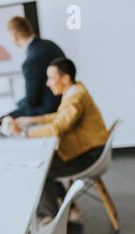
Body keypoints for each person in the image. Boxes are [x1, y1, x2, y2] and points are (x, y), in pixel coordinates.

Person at [11, 57, 109, 223]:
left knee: (40, 169)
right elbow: (61, 117)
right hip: (90, 149)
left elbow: (57, 128)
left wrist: (23, 134)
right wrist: (32, 120)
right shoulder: (75, 91)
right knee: (45, 164)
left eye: (51, 78)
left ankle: (51, 218)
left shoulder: (75, 98)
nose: (48, 83)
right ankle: (67, 210)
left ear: (65, 78)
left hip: (90, 155)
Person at [4, 16, 65, 119]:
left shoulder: (31, 60)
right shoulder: (51, 44)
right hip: (63, 102)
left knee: (5, 120)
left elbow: (31, 100)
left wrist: (18, 105)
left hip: (50, 110)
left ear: (14, 36)